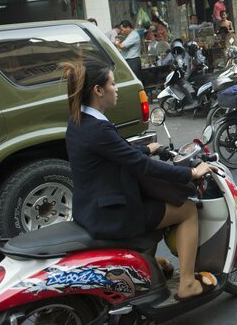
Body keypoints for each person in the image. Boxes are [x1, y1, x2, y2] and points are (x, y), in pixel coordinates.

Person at [62, 61, 217, 300]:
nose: (117, 88)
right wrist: (190, 173)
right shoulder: (98, 129)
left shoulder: (79, 120)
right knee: (186, 210)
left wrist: (147, 148)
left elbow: (118, 152)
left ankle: (149, 265)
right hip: (112, 213)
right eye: (113, 84)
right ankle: (187, 283)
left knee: (153, 200)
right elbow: (141, 166)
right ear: (98, 90)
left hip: (90, 207)